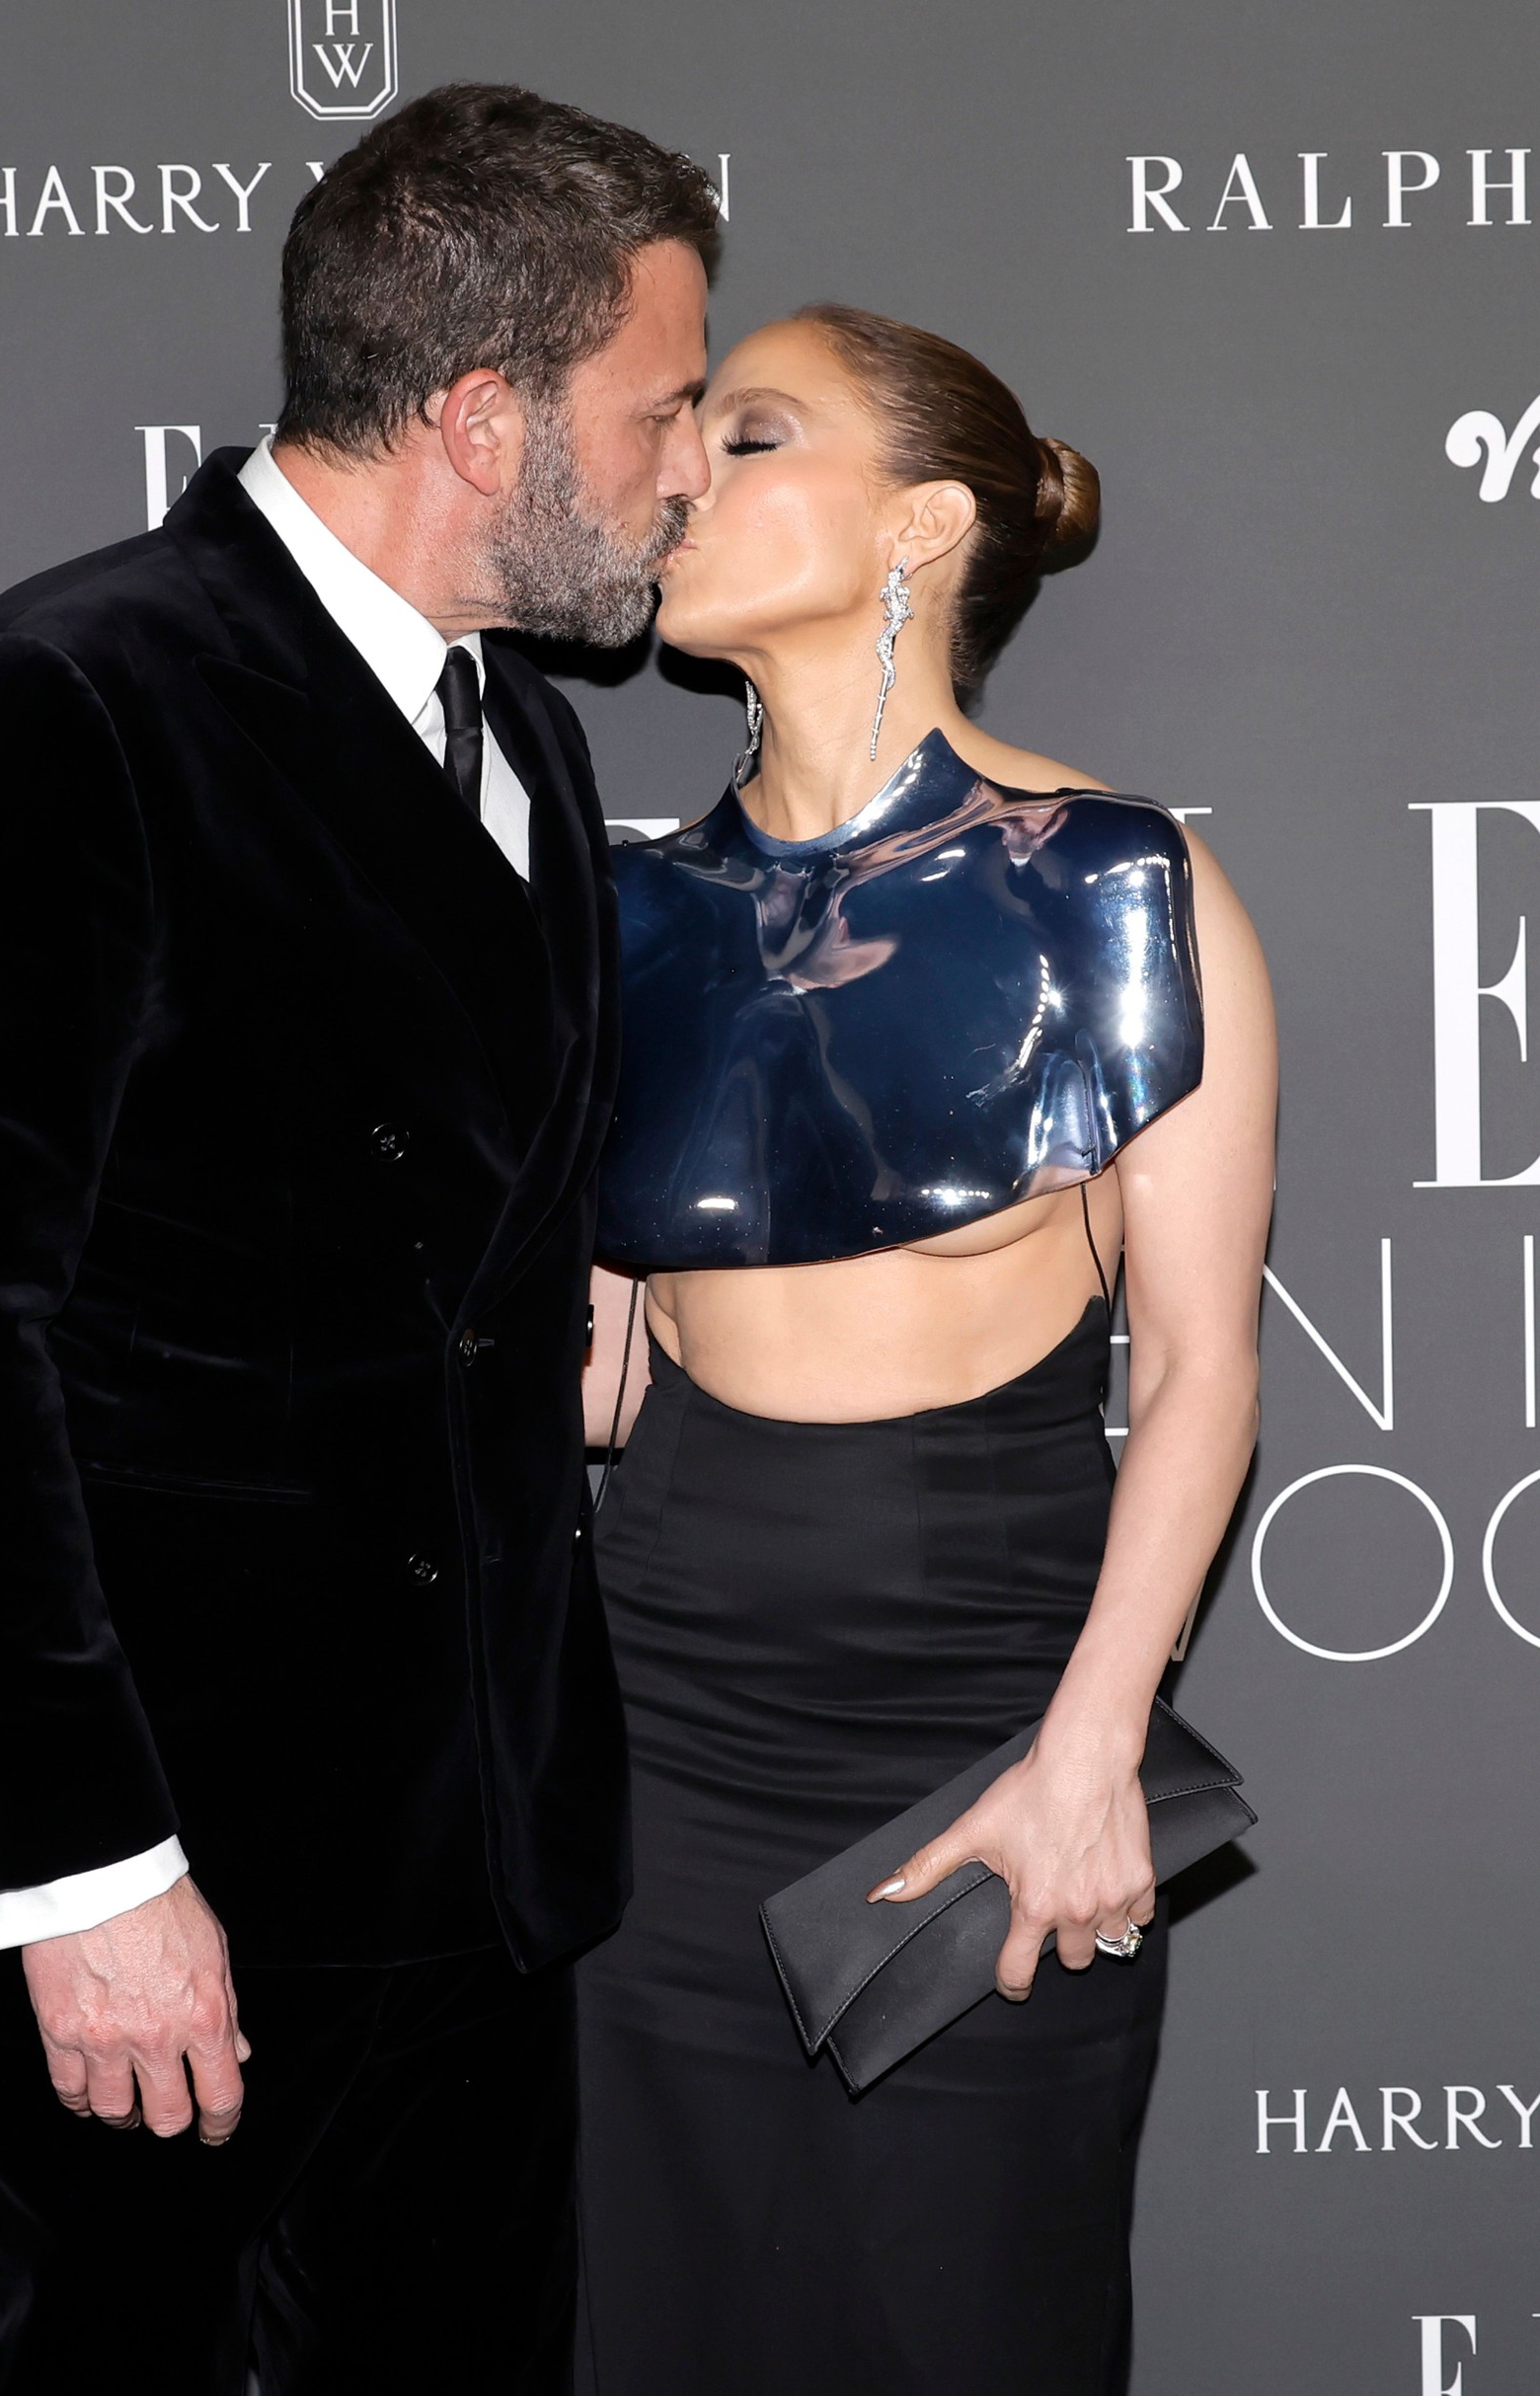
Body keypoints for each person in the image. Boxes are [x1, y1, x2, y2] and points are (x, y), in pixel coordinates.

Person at [0, 84, 717, 2395]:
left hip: (474, 1861)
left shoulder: (522, 733)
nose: (687, 473)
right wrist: (83, 1868)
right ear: (482, 415)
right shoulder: (63, 707)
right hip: (165, 1849)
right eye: (660, 412)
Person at [576, 306, 1276, 2395]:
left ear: (923, 525)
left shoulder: (1117, 887)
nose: (679, 474)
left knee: (966, 2328)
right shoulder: (621, 918)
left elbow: (1203, 1370)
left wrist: (1089, 1759)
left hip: (988, 1749)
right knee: (651, 2329)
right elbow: (591, 1382)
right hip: (657, 1755)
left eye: (751, 434)